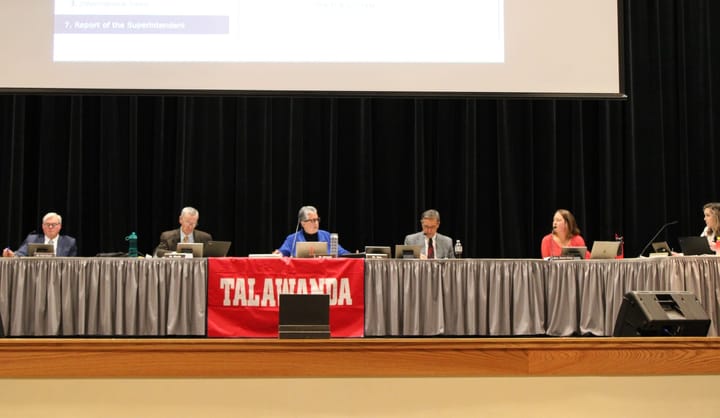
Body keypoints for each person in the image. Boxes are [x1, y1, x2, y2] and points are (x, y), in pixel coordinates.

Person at [275, 206, 349, 257]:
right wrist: (279, 253)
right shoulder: (292, 239)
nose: (316, 223)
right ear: (303, 223)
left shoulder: (327, 236)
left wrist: (354, 256)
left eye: (317, 220)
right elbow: (282, 252)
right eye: (313, 220)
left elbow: (342, 253)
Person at [2, 212, 77, 257]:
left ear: (60, 226)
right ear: (43, 226)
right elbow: (21, 253)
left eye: (53, 224)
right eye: (47, 224)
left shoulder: (69, 242)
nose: (50, 227)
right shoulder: (32, 239)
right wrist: (12, 255)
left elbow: (72, 264)